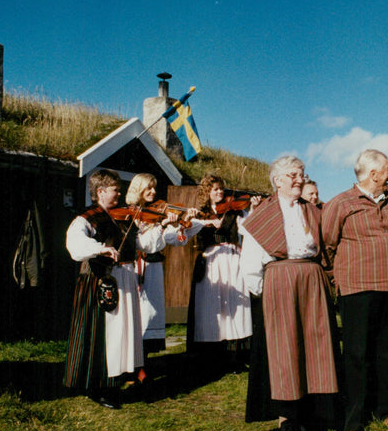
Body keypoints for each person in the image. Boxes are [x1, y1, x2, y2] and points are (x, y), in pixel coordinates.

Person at [240, 156, 341, 431]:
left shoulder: (313, 212)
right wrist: (269, 291)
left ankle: (311, 414)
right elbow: (250, 264)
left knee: (314, 346)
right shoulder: (261, 216)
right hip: (280, 282)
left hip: (312, 280)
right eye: (293, 175)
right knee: (285, 350)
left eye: (301, 174)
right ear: (277, 180)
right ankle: (287, 420)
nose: (299, 179)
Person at [64, 169, 169, 409]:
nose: (120, 194)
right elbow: (74, 243)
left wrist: (161, 226)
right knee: (102, 334)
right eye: (115, 190)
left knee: (122, 333)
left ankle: (115, 381)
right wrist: (100, 249)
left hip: (125, 279)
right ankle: (97, 386)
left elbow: (143, 243)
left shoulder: (124, 217)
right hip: (101, 281)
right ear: (100, 192)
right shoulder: (87, 218)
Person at [322, 149, 388, 431]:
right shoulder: (340, 203)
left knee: (385, 353)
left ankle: (383, 409)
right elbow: (326, 245)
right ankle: (352, 420)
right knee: (355, 355)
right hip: (356, 289)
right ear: (374, 174)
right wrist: (337, 279)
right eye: (387, 170)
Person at [186, 174, 258, 370]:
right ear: (207, 192)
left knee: (234, 304)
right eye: (215, 189)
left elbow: (246, 230)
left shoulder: (234, 211)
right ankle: (211, 356)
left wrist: (252, 210)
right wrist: (203, 221)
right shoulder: (200, 213)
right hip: (211, 260)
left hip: (233, 258)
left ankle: (235, 355)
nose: (220, 192)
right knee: (211, 306)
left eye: (221, 189)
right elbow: (188, 230)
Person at [125, 174, 196, 362]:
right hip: (135, 267)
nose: (153, 192)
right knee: (135, 312)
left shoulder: (158, 213)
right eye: (148, 188)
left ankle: (144, 359)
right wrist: (159, 224)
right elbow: (140, 242)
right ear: (137, 189)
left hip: (154, 267)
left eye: (154, 188)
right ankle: (132, 362)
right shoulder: (129, 213)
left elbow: (173, 240)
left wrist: (180, 223)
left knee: (151, 313)